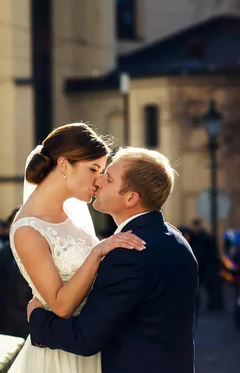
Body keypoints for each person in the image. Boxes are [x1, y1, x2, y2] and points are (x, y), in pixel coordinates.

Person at [27, 146, 198, 373]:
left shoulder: (128, 254)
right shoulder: (177, 239)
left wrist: (37, 318)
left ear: (130, 198)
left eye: (108, 179)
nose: (97, 182)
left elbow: (84, 338)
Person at [8, 123, 146, 373]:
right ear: (63, 165)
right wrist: (98, 252)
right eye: (93, 169)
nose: (99, 180)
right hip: (60, 356)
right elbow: (61, 306)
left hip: (93, 345)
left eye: (102, 171)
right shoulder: (27, 230)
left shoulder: (72, 217)